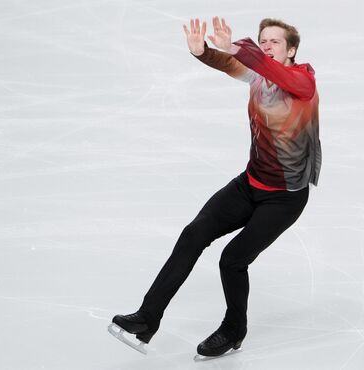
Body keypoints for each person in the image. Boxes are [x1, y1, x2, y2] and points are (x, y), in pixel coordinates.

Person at [110, 16, 321, 357]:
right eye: (262, 40)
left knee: (232, 260)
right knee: (194, 234)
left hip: (284, 198)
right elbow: (230, 64)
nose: (266, 45)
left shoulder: (302, 80)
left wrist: (241, 48)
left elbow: (273, 72)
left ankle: (234, 330)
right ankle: (147, 319)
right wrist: (203, 52)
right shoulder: (259, 76)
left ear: (292, 50)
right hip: (249, 183)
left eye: (274, 41)